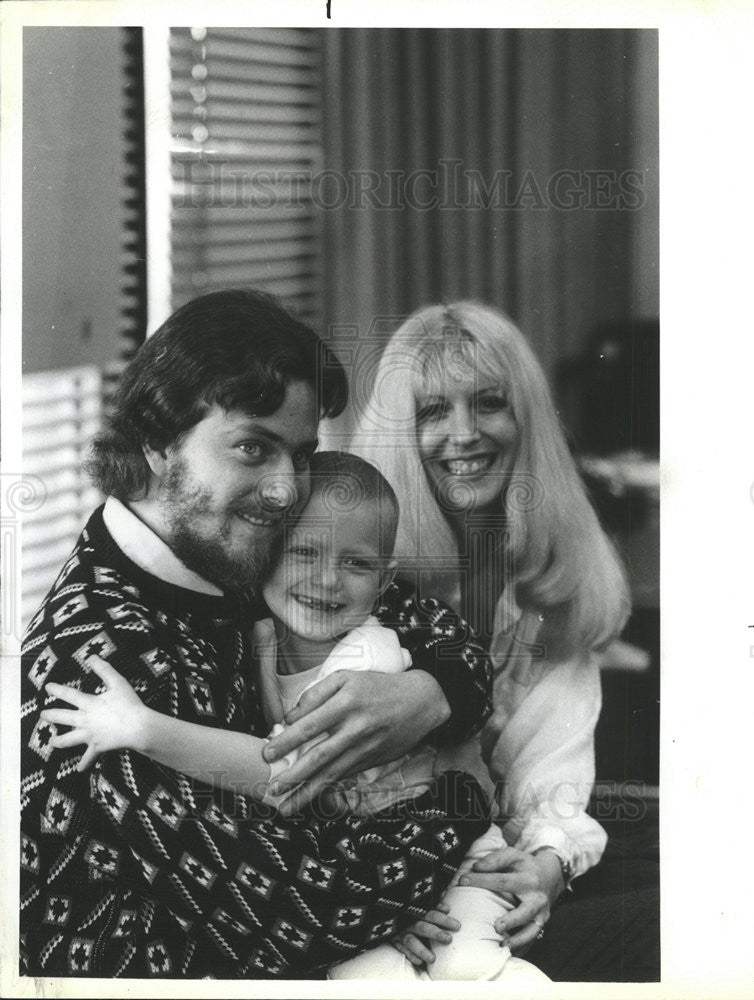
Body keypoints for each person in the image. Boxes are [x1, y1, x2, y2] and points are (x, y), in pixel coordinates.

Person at [19, 290, 494, 978]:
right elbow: (307, 914)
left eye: (300, 454)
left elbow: (443, 632)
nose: (283, 491)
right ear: (154, 440)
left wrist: (430, 694)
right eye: (251, 447)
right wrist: (462, 795)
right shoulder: (93, 673)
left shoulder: (232, 548)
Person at [40, 451, 549, 984]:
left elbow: (283, 777)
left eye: (356, 564)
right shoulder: (258, 634)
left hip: (446, 861)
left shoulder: (367, 658)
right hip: (369, 874)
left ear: (384, 579)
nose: (327, 580)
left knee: (473, 966)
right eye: (303, 551)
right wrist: (384, 916)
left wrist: (144, 729)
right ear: (265, 554)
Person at [331, 301, 656, 979]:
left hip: (487, 888)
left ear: (526, 421)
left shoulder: (545, 582)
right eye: (431, 412)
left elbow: (551, 785)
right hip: (357, 888)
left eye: (488, 404)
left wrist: (545, 867)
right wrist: (367, 896)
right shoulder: (346, 570)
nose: (464, 434)